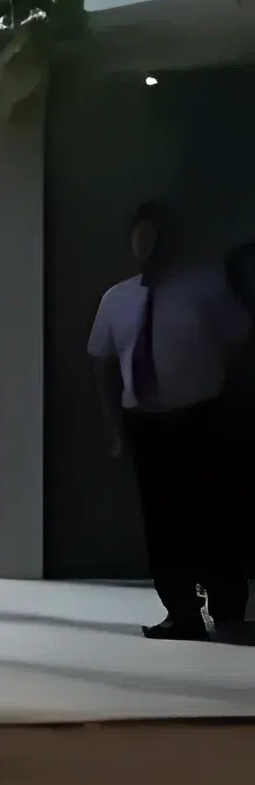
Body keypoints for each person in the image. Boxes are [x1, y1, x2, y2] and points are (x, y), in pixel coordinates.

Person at [88, 201, 253, 641]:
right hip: (146, 424)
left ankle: (228, 609)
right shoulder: (116, 299)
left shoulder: (207, 289)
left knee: (216, 515)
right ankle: (181, 612)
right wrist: (115, 431)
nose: (148, 247)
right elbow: (102, 365)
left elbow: (240, 348)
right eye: (140, 237)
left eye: (155, 237)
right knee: (162, 522)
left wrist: (236, 412)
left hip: (203, 419)